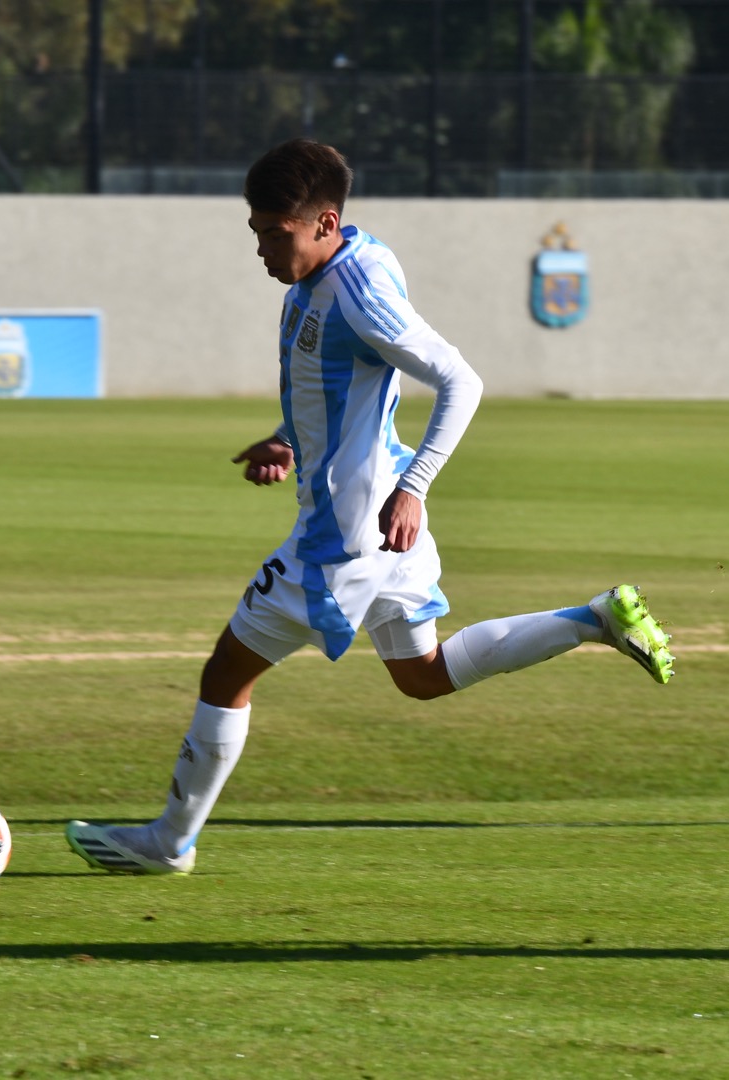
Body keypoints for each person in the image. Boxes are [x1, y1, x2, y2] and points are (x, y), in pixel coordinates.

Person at [66, 138, 674, 875]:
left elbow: (461, 381)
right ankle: (595, 619)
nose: (261, 248)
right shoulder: (341, 266)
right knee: (422, 675)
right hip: (384, 525)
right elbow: (341, 387)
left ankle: (169, 843)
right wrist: (289, 439)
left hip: (347, 534)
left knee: (226, 675)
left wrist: (416, 485)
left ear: (325, 223)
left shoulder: (356, 291)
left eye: (276, 233)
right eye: (256, 231)